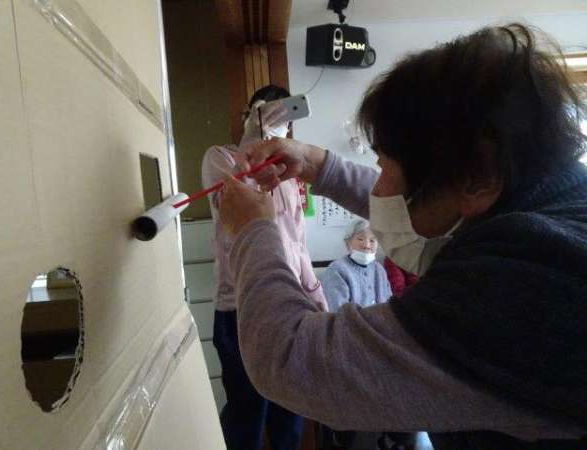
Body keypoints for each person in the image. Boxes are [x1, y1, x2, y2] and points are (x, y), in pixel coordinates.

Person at [217, 24, 587, 450]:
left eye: (385, 167)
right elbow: (426, 206)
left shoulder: (525, 288)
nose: (379, 189)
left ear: (476, 178)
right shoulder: (550, 207)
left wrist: (253, 230)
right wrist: (318, 166)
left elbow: (289, 360)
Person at [201, 84, 327, 450]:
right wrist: (253, 140)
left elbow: (297, 243)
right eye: (267, 112)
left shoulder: (289, 176)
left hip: (292, 305)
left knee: (291, 416)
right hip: (239, 308)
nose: (277, 123)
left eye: (284, 117)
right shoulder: (220, 158)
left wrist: (315, 293)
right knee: (247, 417)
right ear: (249, 114)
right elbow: (228, 205)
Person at [321, 219, 392, 312]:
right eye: (360, 239)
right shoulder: (336, 270)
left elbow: (389, 304)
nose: (367, 245)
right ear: (348, 242)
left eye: (372, 240)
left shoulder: (379, 269)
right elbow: (338, 312)